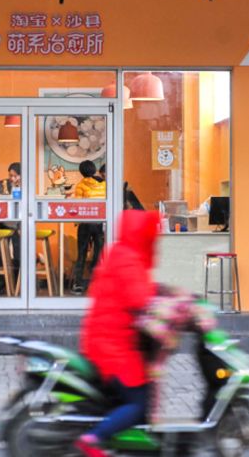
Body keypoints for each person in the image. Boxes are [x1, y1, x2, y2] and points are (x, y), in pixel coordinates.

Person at [76, 210, 160, 456]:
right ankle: (93, 439)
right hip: (114, 346)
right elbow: (140, 299)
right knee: (138, 401)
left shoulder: (119, 253)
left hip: (106, 339)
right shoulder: (129, 260)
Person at [71, 160, 106, 295]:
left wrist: (76, 222)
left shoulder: (80, 185)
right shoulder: (104, 184)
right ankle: (97, 281)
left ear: (81, 172)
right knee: (99, 253)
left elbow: (77, 206)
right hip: (100, 222)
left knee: (82, 253)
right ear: (94, 169)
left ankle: (78, 284)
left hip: (85, 223)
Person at [0, 162, 22, 294]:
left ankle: (18, 285)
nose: (12, 178)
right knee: (3, 256)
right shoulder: (2, 185)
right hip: (4, 224)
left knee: (19, 255)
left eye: (15, 176)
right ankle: (1, 285)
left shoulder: (26, 186)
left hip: (19, 225)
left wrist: (21, 227)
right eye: (10, 175)